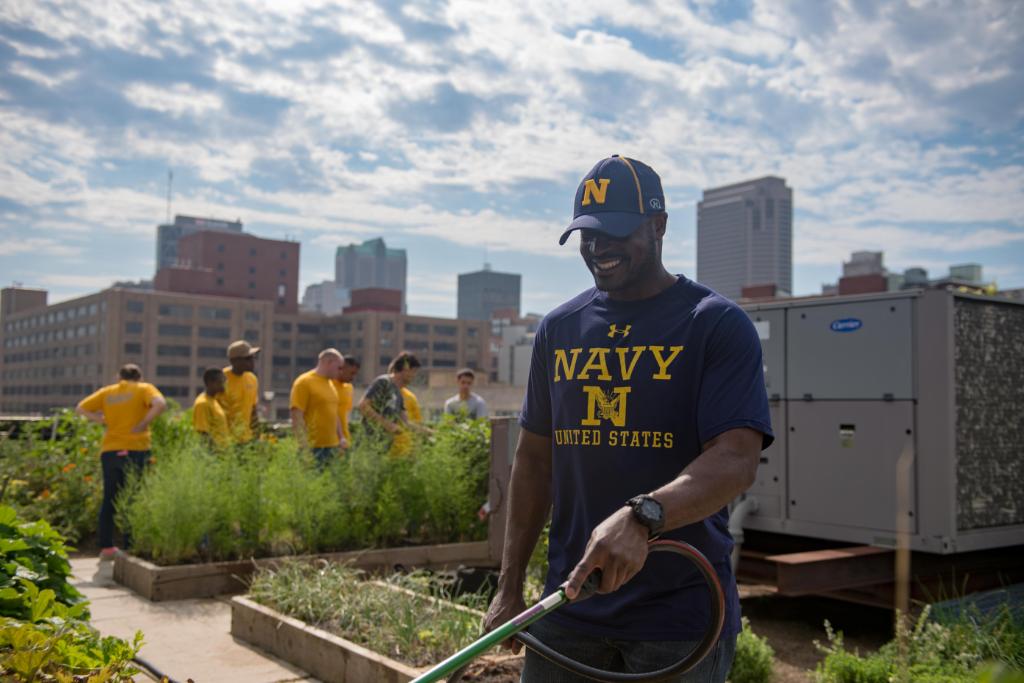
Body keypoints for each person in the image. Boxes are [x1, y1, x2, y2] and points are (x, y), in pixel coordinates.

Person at [482, 155, 773, 682]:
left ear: (658, 226)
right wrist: (509, 584)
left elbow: (735, 459)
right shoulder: (559, 329)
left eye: (614, 232)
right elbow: (534, 461)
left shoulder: (713, 325)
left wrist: (643, 516)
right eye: (587, 235)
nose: (598, 248)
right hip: (567, 607)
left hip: (680, 621)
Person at [76, 364, 167, 560]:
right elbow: (160, 404)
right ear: (139, 377)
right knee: (132, 498)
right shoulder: (144, 389)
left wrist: (100, 420)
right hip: (136, 449)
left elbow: (80, 408)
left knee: (110, 498)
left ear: (119, 377)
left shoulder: (107, 392)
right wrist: (143, 424)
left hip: (110, 450)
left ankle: (107, 548)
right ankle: (130, 545)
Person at [358, 351, 429, 456]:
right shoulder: (383, 382)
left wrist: (429, 432)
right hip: (369, 444)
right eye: (413, 371)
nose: (414, 376)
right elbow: (363, 406)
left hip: (383, 447)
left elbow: (406, 423)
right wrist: (387, 424)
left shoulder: (398, 393)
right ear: (406, 369)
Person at [290, 348, 343, 467]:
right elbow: (297, 416)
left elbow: (334, 414)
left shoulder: (331, 385)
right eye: (339, 367)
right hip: (313, 448)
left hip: (332, 447)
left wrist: (340, 439)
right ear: (329, 362)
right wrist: (304, 448)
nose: (340, 372)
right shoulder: (304, 382)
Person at [220, 340, 260, 444]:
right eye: (248, 358)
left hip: (247, 440)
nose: (252, 361)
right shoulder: (221, 379)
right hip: (226, 441)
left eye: (253, 357)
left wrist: (257, 437)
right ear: (234, 361)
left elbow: (253, 410)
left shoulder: (252, 379)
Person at [193, 368, 231, 450]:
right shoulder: (202, 403)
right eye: (221, 382)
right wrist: (215, 452)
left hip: (223, 453)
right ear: (210, 383)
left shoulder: (214, 401)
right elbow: (203, 433)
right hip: (214, 454)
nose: (224, 384)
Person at [331, 356, 360, 450]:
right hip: (328, 439)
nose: (353, 377)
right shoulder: (328, 384)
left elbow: (345, 415)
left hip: (344, 440)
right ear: (342, 368)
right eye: (351, 373)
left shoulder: (349, 388)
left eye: (355, 374)